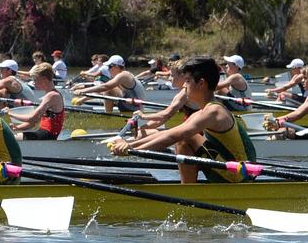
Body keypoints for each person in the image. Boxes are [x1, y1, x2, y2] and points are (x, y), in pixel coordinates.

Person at [107, 57, 256, 183]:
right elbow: (170, 132)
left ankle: (188, 193)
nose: (184, 85)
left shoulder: (213, 112)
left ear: (201, 83)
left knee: (184, 139)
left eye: (187, 81)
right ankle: (188, 188)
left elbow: (173, 136)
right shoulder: (205, 110)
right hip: (232, 167)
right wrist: (130, 144)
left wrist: (132, 150)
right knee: (184, 136)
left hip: (240, 175)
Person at [8, 63, 65, 140]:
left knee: (10, 138)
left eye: (35, 79)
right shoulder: (48, 95)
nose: (33, 82)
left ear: (44, 79)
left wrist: (10, 113)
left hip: (47, 135)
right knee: (10, 136)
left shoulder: (52, 96)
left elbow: (31, 118)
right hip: (43, 134)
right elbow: (33, 123)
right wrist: (16, 127)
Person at [73, 55, 144, 113]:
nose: (108, 69)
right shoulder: (119, 77)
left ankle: (108, 116)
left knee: (108, 90)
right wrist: (83, 99)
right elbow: (101, 90)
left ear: (116, 67)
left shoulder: (124, 75)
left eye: (109, 67)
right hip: (130, 104)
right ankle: (109, 113)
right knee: (107, 90)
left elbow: (105, 87)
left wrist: (83, 91)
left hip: (135, 108)